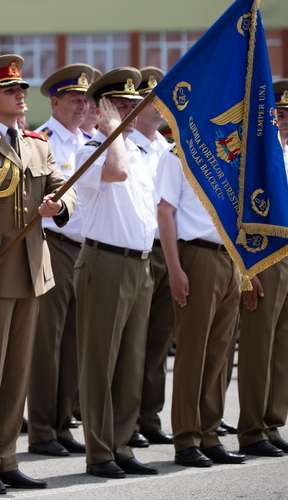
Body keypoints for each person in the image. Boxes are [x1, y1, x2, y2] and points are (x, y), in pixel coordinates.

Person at [0, 55, 74, 495]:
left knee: (17, 372)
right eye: (11, 91)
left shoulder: (36, 144)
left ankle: (7, 457)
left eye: (22, 90)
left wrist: (59, 207)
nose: (21, 96)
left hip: (32, 268)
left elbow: (61, 190)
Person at [73, 67, 158, 479]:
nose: (127, 114)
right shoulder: (91, 148)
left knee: (131, 361)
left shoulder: (139, 153)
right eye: (117, 107)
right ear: (99, 109)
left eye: (130, 106)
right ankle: (100, 451)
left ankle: (122, 446)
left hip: (139, 264)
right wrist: (109, 131)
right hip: (104, 262)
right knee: (100, 361)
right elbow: (117, 173)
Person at [157, 126, 245, 468]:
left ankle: (210, 434)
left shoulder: (232, 155)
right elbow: (165, 211)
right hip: (197, 255)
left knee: (220, 354)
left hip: (229, 256)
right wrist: (175, 268)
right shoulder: (177, 154)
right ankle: (187, 439)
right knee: (193, 352)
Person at [27, 63, 93, 458]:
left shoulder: (89, 140)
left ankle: (64, 422)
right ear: (55, 102)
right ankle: (41, 429)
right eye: (74, 99)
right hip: (54, 244)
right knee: (47, 343)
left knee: (73, 343)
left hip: (85, 248)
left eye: (86, 99)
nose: (82, 106)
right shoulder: (45, 140)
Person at [237, 79, 288, 457]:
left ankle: (272, 423)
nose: (284, 120)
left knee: (283, 344)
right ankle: (251, 429)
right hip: (265, 257)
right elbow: (243, 215)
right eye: (278, 114)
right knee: (258, 346)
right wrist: (247, 269)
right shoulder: (256, 155)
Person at [128, 67, 174, 449]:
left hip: (167, 249)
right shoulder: (127, 145)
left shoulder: (167, 147)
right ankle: (128, 419)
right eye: (150, 101)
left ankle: (150, 416)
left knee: (158, 342)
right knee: (133, 343)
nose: (157, 107)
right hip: (139, 249)